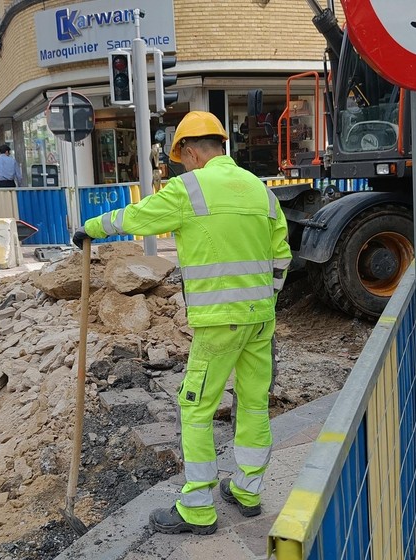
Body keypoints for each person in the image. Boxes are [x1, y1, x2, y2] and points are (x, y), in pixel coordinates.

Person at [73, 111, 292, 536]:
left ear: (191, 153)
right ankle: (247, 491)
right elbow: (282, 256)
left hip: (218, 324)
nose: (183, 166)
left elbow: (135, 218)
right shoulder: (260, 191)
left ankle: (196, 507)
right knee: (251, 404)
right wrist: (264, 300)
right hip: (261, 319)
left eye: (182, 159)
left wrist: (90, 228)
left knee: (195, 408)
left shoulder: (189, 188)